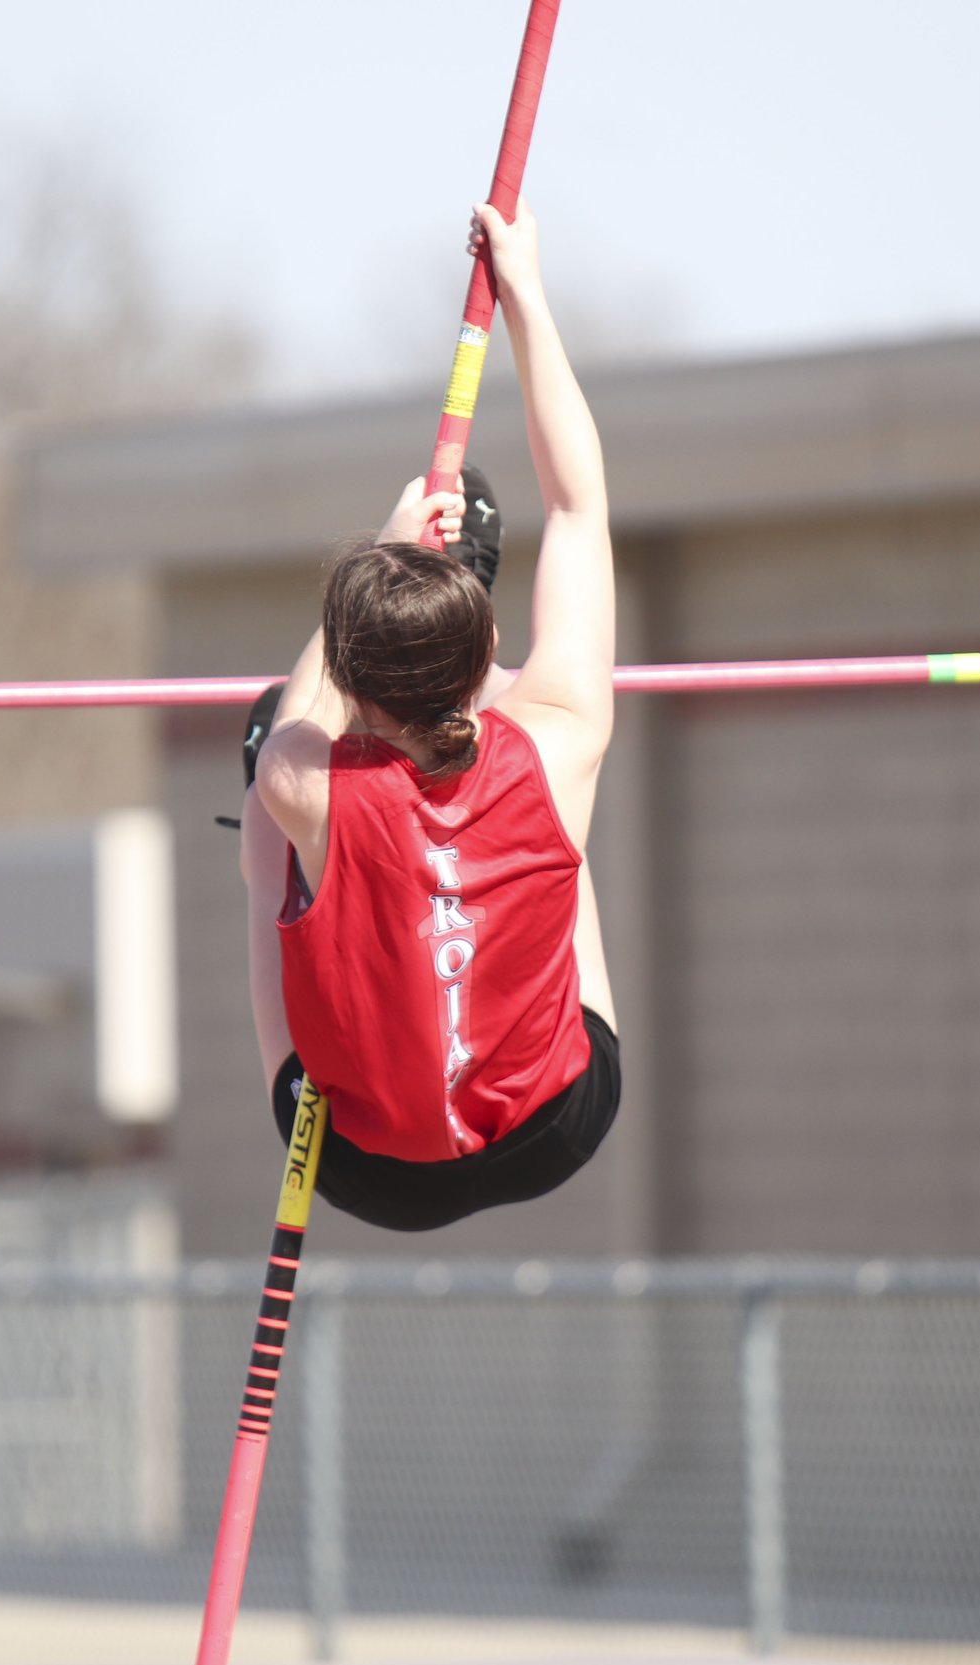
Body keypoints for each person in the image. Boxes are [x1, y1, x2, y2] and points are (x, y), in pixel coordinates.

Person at [237, 197, 621, 1233]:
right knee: (559, 839)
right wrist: (528, 296)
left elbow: (299, 715)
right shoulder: (558, 731)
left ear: (351, 668)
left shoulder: (299, 781)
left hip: (368, 1167)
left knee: (268, 848)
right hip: (553, 1123)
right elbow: (580, 511)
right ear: (488, 656)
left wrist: (385, 547)